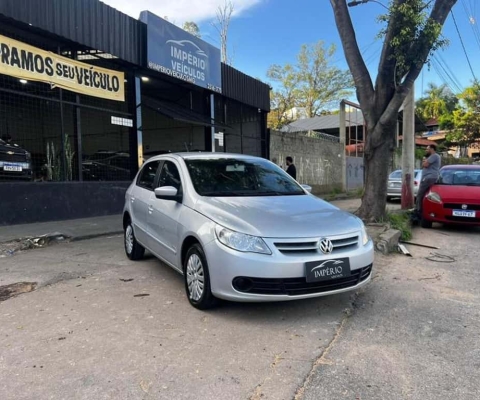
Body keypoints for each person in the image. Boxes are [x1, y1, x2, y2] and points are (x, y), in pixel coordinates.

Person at [415, 144, 441, 217]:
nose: (426, 150)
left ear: (432, 149)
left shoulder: (434, 156)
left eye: (427, 149)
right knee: (427, 195)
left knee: (420, 194)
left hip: (428, 177)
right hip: (431, 177)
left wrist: (424, 161)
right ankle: (424, 209)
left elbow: (425, 165)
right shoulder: (433, 157)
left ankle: (418, 210)